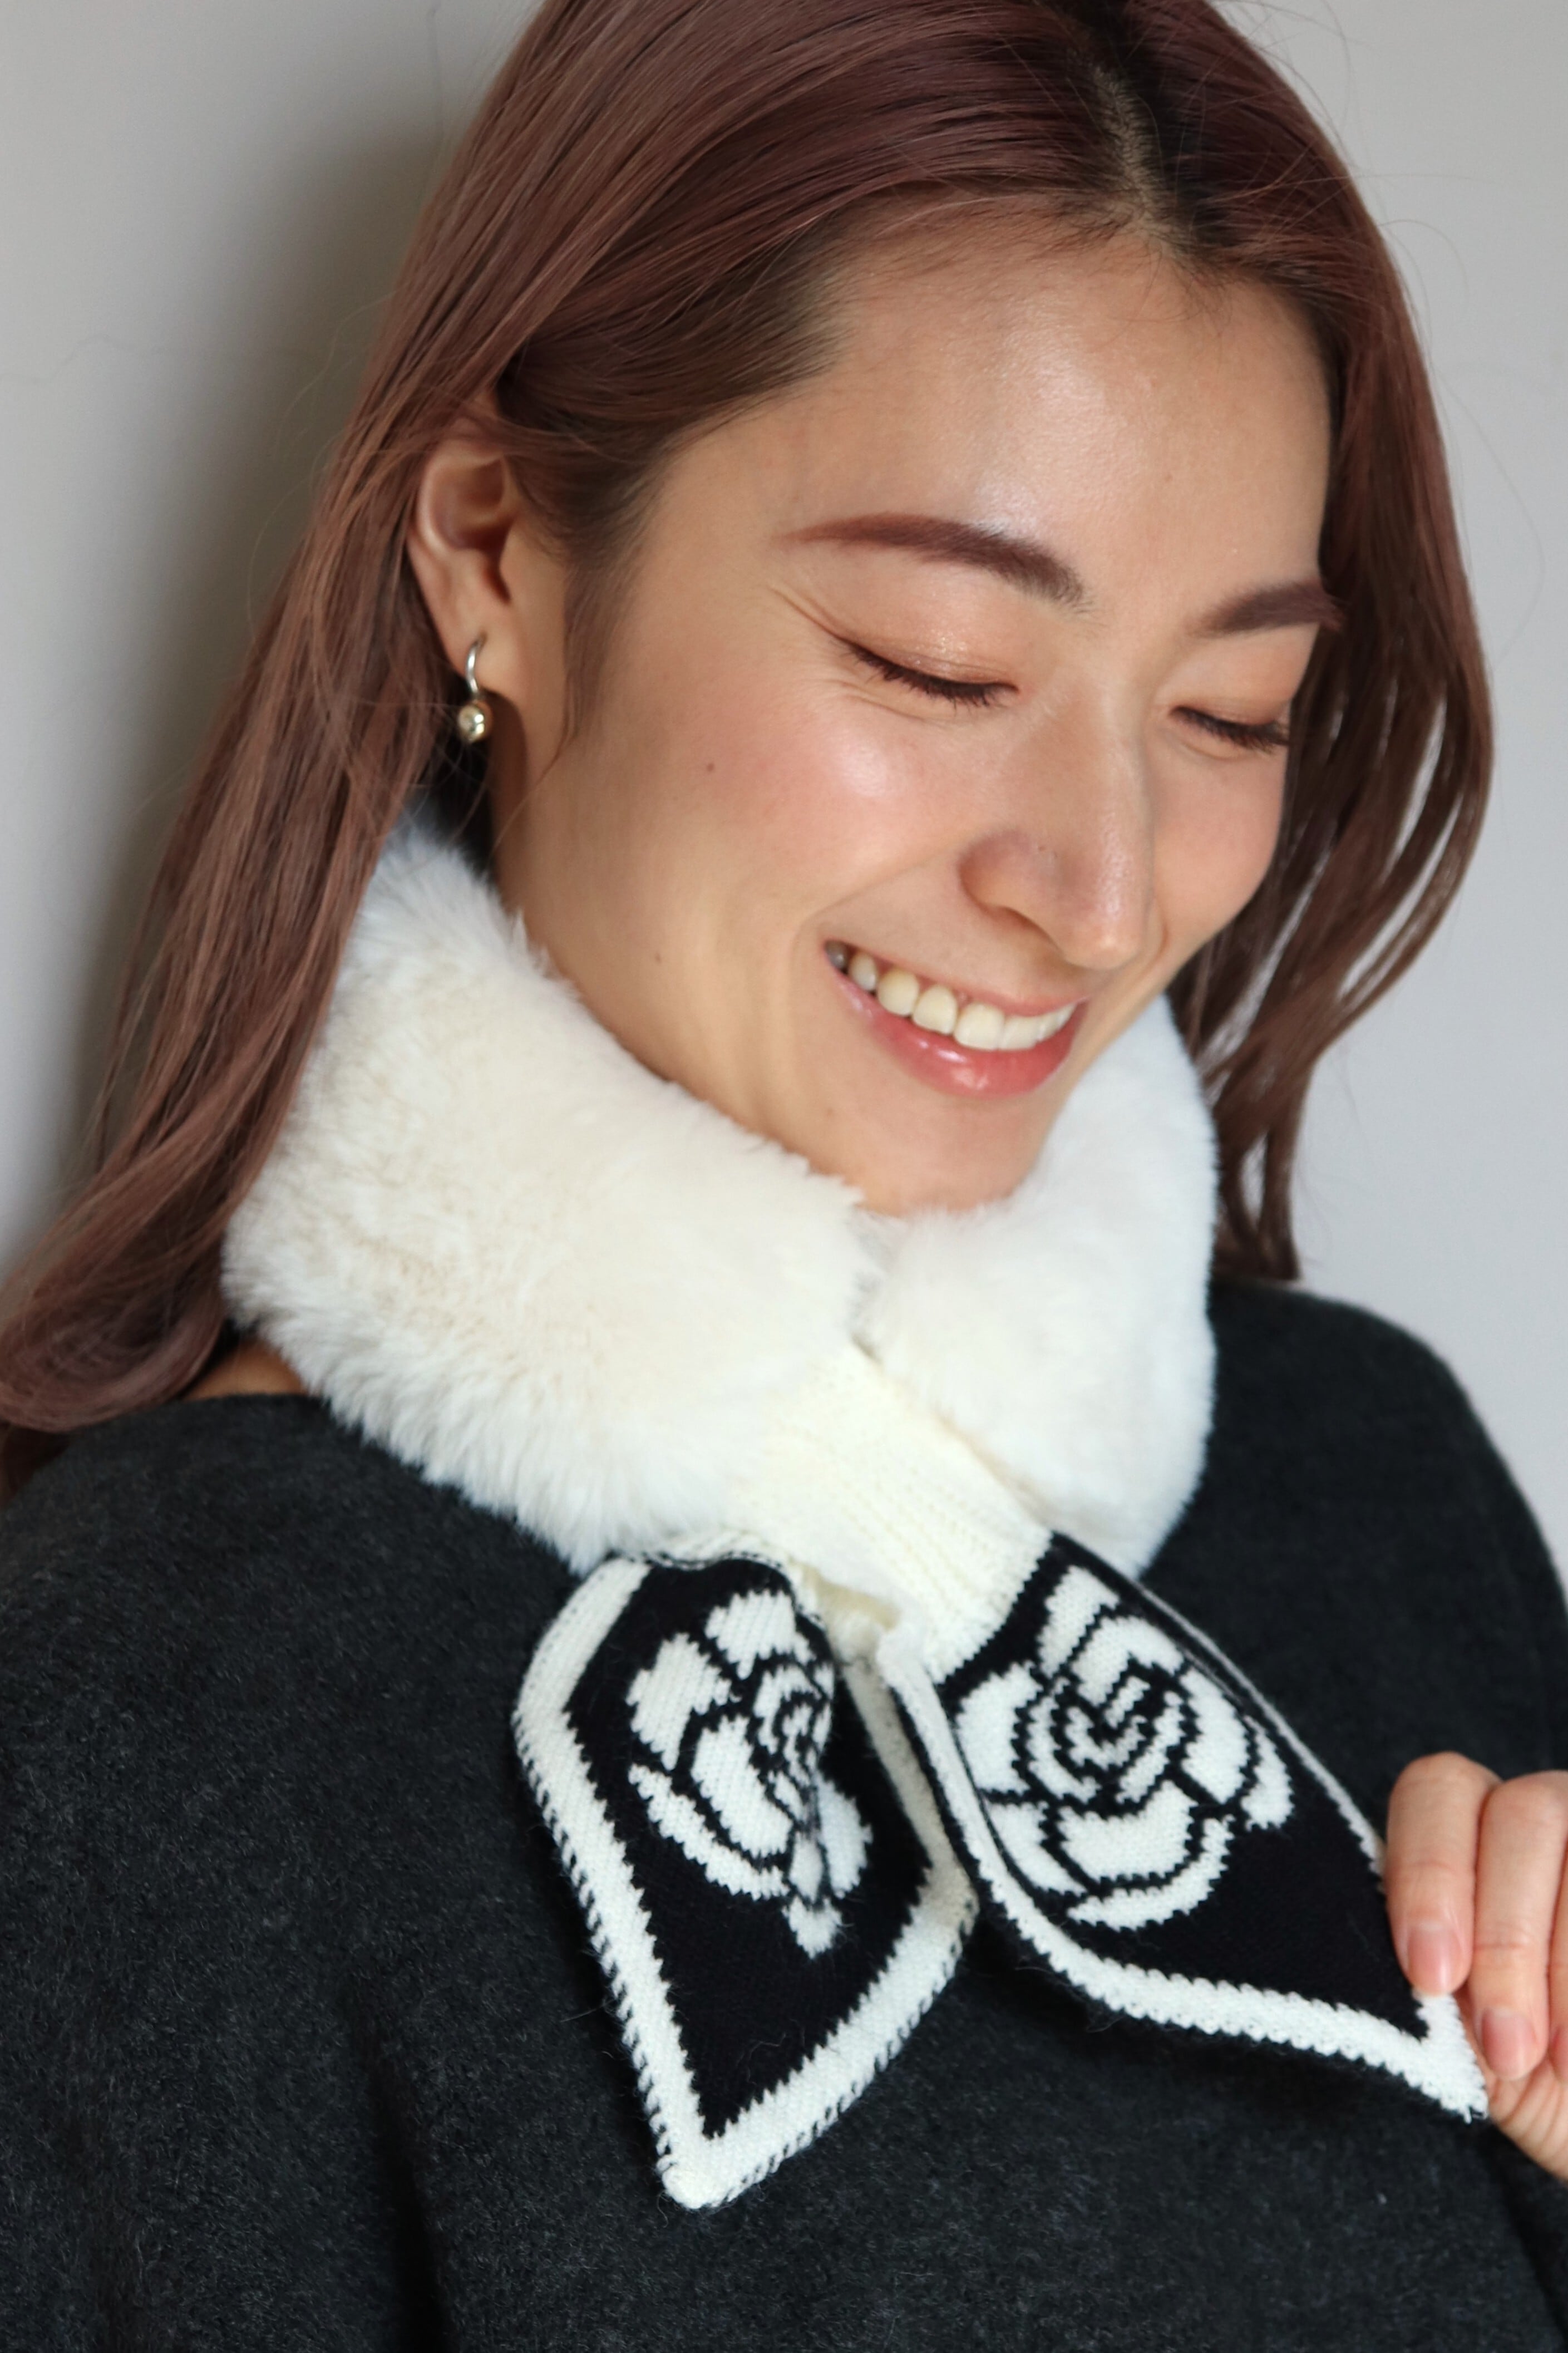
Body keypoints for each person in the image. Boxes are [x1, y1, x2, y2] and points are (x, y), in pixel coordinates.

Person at [2, 0, 1567, 2341]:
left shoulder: (1371, 1474)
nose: (1101, 889)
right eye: (938, 663)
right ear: (497, 555)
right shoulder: (154, 1703)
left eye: (1229, 710)